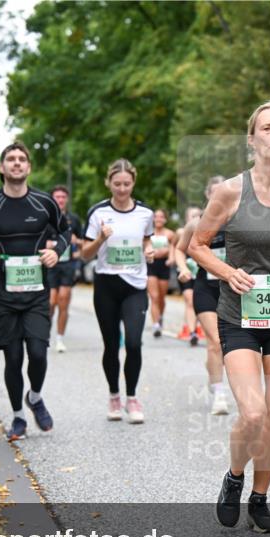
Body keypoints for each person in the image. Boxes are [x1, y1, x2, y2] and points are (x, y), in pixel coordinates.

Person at [189, 101, 270, 533]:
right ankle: (234, 478)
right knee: (253, 413)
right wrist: (229, 272)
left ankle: (260, 499)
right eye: (267, 128)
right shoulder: (229, 191)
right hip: (237, 314)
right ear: (252, 140)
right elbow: (198, 245)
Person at [0, 142, 70, 441]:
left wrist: (56, 251)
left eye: (22, 159)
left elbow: (66, 231)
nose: (17, 163)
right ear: (2, 167)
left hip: (35, 292)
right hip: (1, 293)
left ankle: (34, 397)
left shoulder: (43, 203)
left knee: (37, 352)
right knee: (13, 358)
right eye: (11, 159)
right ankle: (18, 418)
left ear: (28, 167)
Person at [81, 158, 155, 424]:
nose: (122, 189)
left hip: (135, 286)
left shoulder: (145, 213)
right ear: (108, 183)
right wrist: (100, 238)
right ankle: (114, 395)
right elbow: (84, 254)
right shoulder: (98, 213)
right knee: (111, 346)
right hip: (106, 286)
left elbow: (146, 238)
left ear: (133, 182)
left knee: (134, 343)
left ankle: (132, 398)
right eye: (117, 184)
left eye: (126, 184)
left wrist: (148, 249)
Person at [177, 179, 231, 415]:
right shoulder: (196, 224)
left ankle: (213, 369)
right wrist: (183, 268)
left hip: (234, 290)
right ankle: (219, 395)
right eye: (215, 192)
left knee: (230, 346)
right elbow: (180, 249)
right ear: (208, 195)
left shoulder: (239, 223)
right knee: (216, 341)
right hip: (206, 288)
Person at [47, 185, 84, 352]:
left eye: (63, 197)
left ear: (67, 199)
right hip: (50, 265)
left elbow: (85, 243)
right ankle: (44, 335)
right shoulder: (45, 218)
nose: (60, 200)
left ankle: (60, 339)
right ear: (52, 199)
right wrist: (44, 244)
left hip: (67, 265)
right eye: (57, 197)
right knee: (50, 302)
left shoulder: (74, 220)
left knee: (63, 301)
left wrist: (77, 241)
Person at [173, 206, 203, 346]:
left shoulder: (207, 231)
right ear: (186, 218)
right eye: (192, 216)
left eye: (197, 215)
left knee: (198, 301)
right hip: (186, 271)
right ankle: (192, 332)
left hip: (201, 272)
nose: (195, 218)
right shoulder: (181, 232)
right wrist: (178, 263)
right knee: (190, 300)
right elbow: (175, 247)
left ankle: (198, 326)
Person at [147, 208, 175, 338]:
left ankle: (160, 316)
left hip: (164, 266)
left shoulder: (169, 234)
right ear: (153, 219)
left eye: (161, 217)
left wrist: (170, 258)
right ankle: (156, 325)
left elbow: (174, 249)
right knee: (154, 296)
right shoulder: (148, 233)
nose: (158, 219)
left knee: (161, 297)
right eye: (156, 216)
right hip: (151, 266)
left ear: (165, 219)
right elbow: (143, 248)